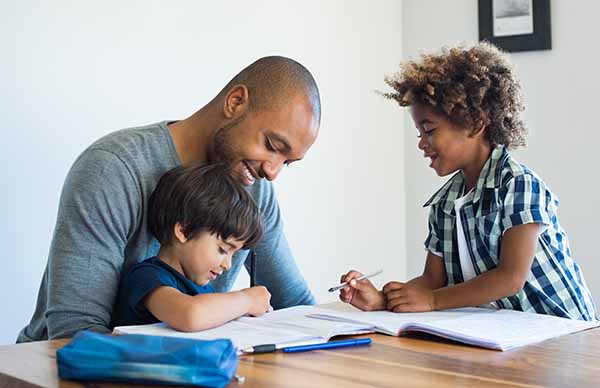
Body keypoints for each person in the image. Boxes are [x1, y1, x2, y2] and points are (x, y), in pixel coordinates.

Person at [18, 56, 321, 342]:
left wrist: (364, 309)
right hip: (61, 370)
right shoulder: (113, 168)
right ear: (236, 102)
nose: (273, 172)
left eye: (287, 162)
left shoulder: (254, 190)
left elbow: (297, 306)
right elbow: (75, 333)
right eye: (272, 145)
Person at [339, 42, 598, 321]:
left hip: (565, 332)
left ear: (475, 123)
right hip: (506, 336)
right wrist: (383, 300)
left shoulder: (519, 185)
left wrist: (434, 300)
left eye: (429, 130)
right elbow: (431, 281)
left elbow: (511, 277)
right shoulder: (444, 204)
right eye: (419, 133)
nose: (422, 144)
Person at [112, 163, 271, 330]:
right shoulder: (146, 277)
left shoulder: (202, 290)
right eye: (223, 250)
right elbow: (190, 315)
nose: (228, 265)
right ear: (184, 231)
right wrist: (246, 300)